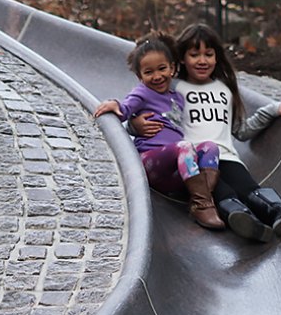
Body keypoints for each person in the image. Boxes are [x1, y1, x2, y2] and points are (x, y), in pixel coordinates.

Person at [132, 23, 281, 242]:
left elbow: (241, 130)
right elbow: (148, 112)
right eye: (194, 55)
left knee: (250, 189)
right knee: (223, 193)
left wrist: (272, 110)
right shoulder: (174, 88)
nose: (202, 60)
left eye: (208, 55)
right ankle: (247, 223)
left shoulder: (224, 90)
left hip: (227, 155)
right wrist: (135, 124)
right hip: (196, 161)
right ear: (181, 60)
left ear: (217, 57)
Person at [93, 32, 225, 229]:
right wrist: (114, 104)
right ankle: (203, 205)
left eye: (162, 69)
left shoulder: (178, 98)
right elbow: (125, 109)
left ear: (172, 68)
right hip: (150, 163)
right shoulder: (142, 92)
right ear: (140, 76)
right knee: (184, 147)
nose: (157, 76)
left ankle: (201, 196)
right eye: (148, 72)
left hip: (176, 169)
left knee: (210, 148)